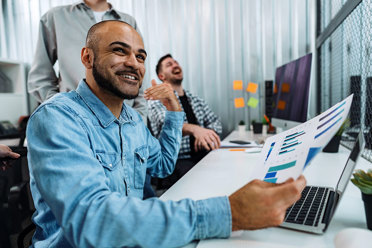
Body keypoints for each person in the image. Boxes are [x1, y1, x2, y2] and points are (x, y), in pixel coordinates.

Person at [26, 20, 306, 247]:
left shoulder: (133, 120)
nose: (134, 63)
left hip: (137, 236)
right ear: (87, 57)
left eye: (140, 56)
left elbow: (161, 166)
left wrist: (174, 110)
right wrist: (229, 213)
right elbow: (93, 222)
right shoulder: (57, 119)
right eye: (119, 51)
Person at [27, 0, 147, 122]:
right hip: (74, 123)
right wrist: (62, 111)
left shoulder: (129, 22)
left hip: (125, 124)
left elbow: (139, 81)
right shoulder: (56, 17)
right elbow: (40, 77)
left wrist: (138, 121)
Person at [148, 54, 222, 187]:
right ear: (161, 76)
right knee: (200, 184)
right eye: (169, 65)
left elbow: (216, 123)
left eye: (176, 62)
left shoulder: (196, 100)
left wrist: (205, 134)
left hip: (204, 155)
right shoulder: (157, 102)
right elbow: (167, 123)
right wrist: (196, 130)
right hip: (178, 161)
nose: (175, 65)